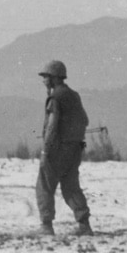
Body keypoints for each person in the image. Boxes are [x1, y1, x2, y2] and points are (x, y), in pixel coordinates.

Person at [34, 60, 91, 236]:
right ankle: (84, 225)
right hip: (74, 151)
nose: (44, 80)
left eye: (46, 77)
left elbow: (51, 126)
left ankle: (46, 226)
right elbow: (85, 121)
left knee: (44, 185)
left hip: (56, 151)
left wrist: (45, 151)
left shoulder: (55, 98)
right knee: (71, 187)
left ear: (54, 78)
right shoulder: (74, 96)